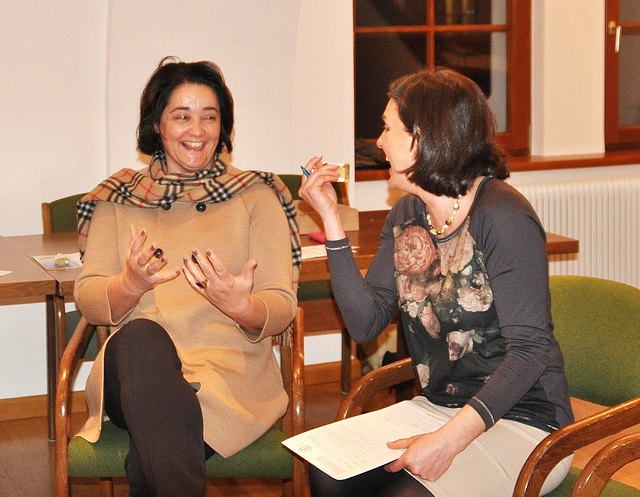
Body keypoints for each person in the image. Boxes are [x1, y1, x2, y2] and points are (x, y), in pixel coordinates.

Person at [299, 68, 574, 497]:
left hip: (524, 421)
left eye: (388, 128)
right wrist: (330, 221)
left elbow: (531, 351)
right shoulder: (407, 215)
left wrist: (449, 441)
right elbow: (366, 323)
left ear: (423, 138)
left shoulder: (503, 217)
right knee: (329, 476)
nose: (379, 141)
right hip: (438, 408)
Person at [73, 57, 300, 497]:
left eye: (209, 117)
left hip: (226, 376)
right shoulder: (116, 199)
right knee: (140, 337)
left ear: (223, 126)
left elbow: (282, 304)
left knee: (158, 441)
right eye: (182, 116)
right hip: (135, 371)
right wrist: (130, 285)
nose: (197, 130)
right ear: (157, 124)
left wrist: (242, 306)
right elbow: (89, 299)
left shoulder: (256, 196)